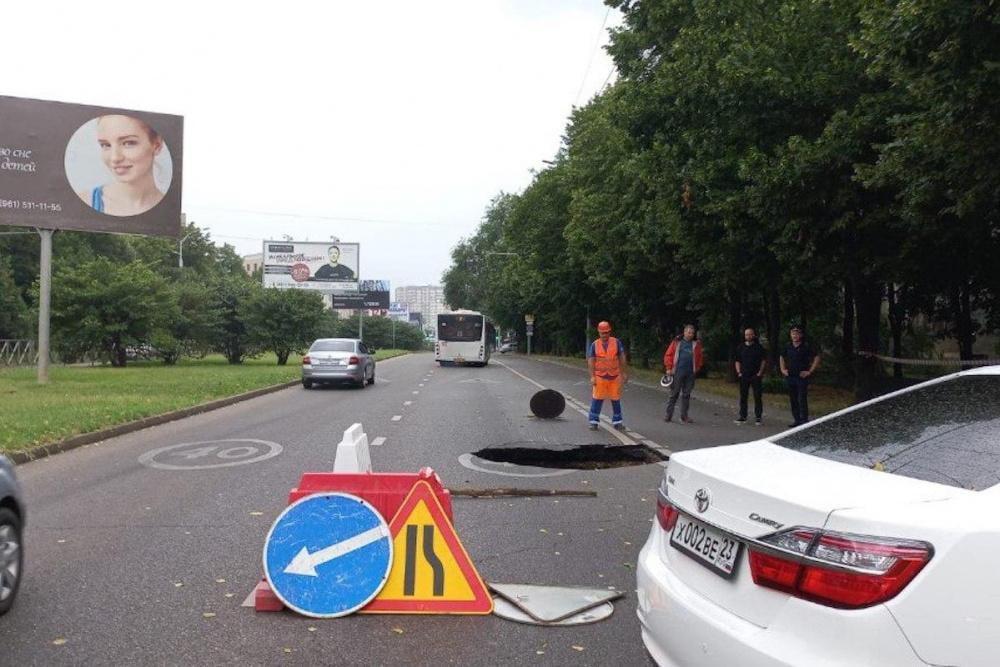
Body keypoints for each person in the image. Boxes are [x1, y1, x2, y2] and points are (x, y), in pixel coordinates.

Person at [76, 115, 165, 216]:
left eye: (128, 143)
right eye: (106, 145)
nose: (115, 158)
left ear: (157, 145)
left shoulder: (170, 211)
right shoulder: (83, 201)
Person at [587, 321, 629, 431]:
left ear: (609, 332)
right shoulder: (594, 344)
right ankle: (593, 421)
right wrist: (592, 376)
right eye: (602, 333)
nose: (604, 335)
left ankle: (617, 422)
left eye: (606, 332)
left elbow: (622, 357)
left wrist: (624, 373)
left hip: (614, 376)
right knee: (597, 399)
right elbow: (591, 361)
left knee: (616, 400)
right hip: (600, 376)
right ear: (599, 333)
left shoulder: (616, 342)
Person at [780, 325, 820, 427]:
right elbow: (782, 357)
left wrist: (810, 371)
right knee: (793, 399)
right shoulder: (787, 346)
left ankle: (804, 421)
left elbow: (816, 357)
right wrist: (783, 369)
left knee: (802, 399)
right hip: (791, 376)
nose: (795, 335)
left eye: (797, 333)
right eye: (793, 333)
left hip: (802, 376)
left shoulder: (806, 346)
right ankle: (796, 420)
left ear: (801, 335)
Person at [663, 324, 704, 423]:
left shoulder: (696, 345)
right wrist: (669, 368)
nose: (690, 335)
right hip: (677, 372)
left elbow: (700, 358)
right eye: (688, 332)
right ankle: (668, 415)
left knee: (686, 394)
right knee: (674, 394)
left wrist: (697, 368)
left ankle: (684, 416)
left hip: (690, 373)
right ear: (684, 332)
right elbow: (668, 355)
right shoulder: (677, 343)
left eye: (692, 333)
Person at [734, 327, 767, 425]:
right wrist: (739, 372)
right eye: (746, 334)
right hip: (744, 375)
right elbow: (737, 361)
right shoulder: (740, 347)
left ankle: (758, 417)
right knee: (743, 396)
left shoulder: (759, 347)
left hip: (755, 375)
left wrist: (760, 373)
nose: (748, 336)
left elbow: (763, 361)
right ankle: (743, 416)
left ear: (754, 335)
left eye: (750, 334)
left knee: (757, 396)